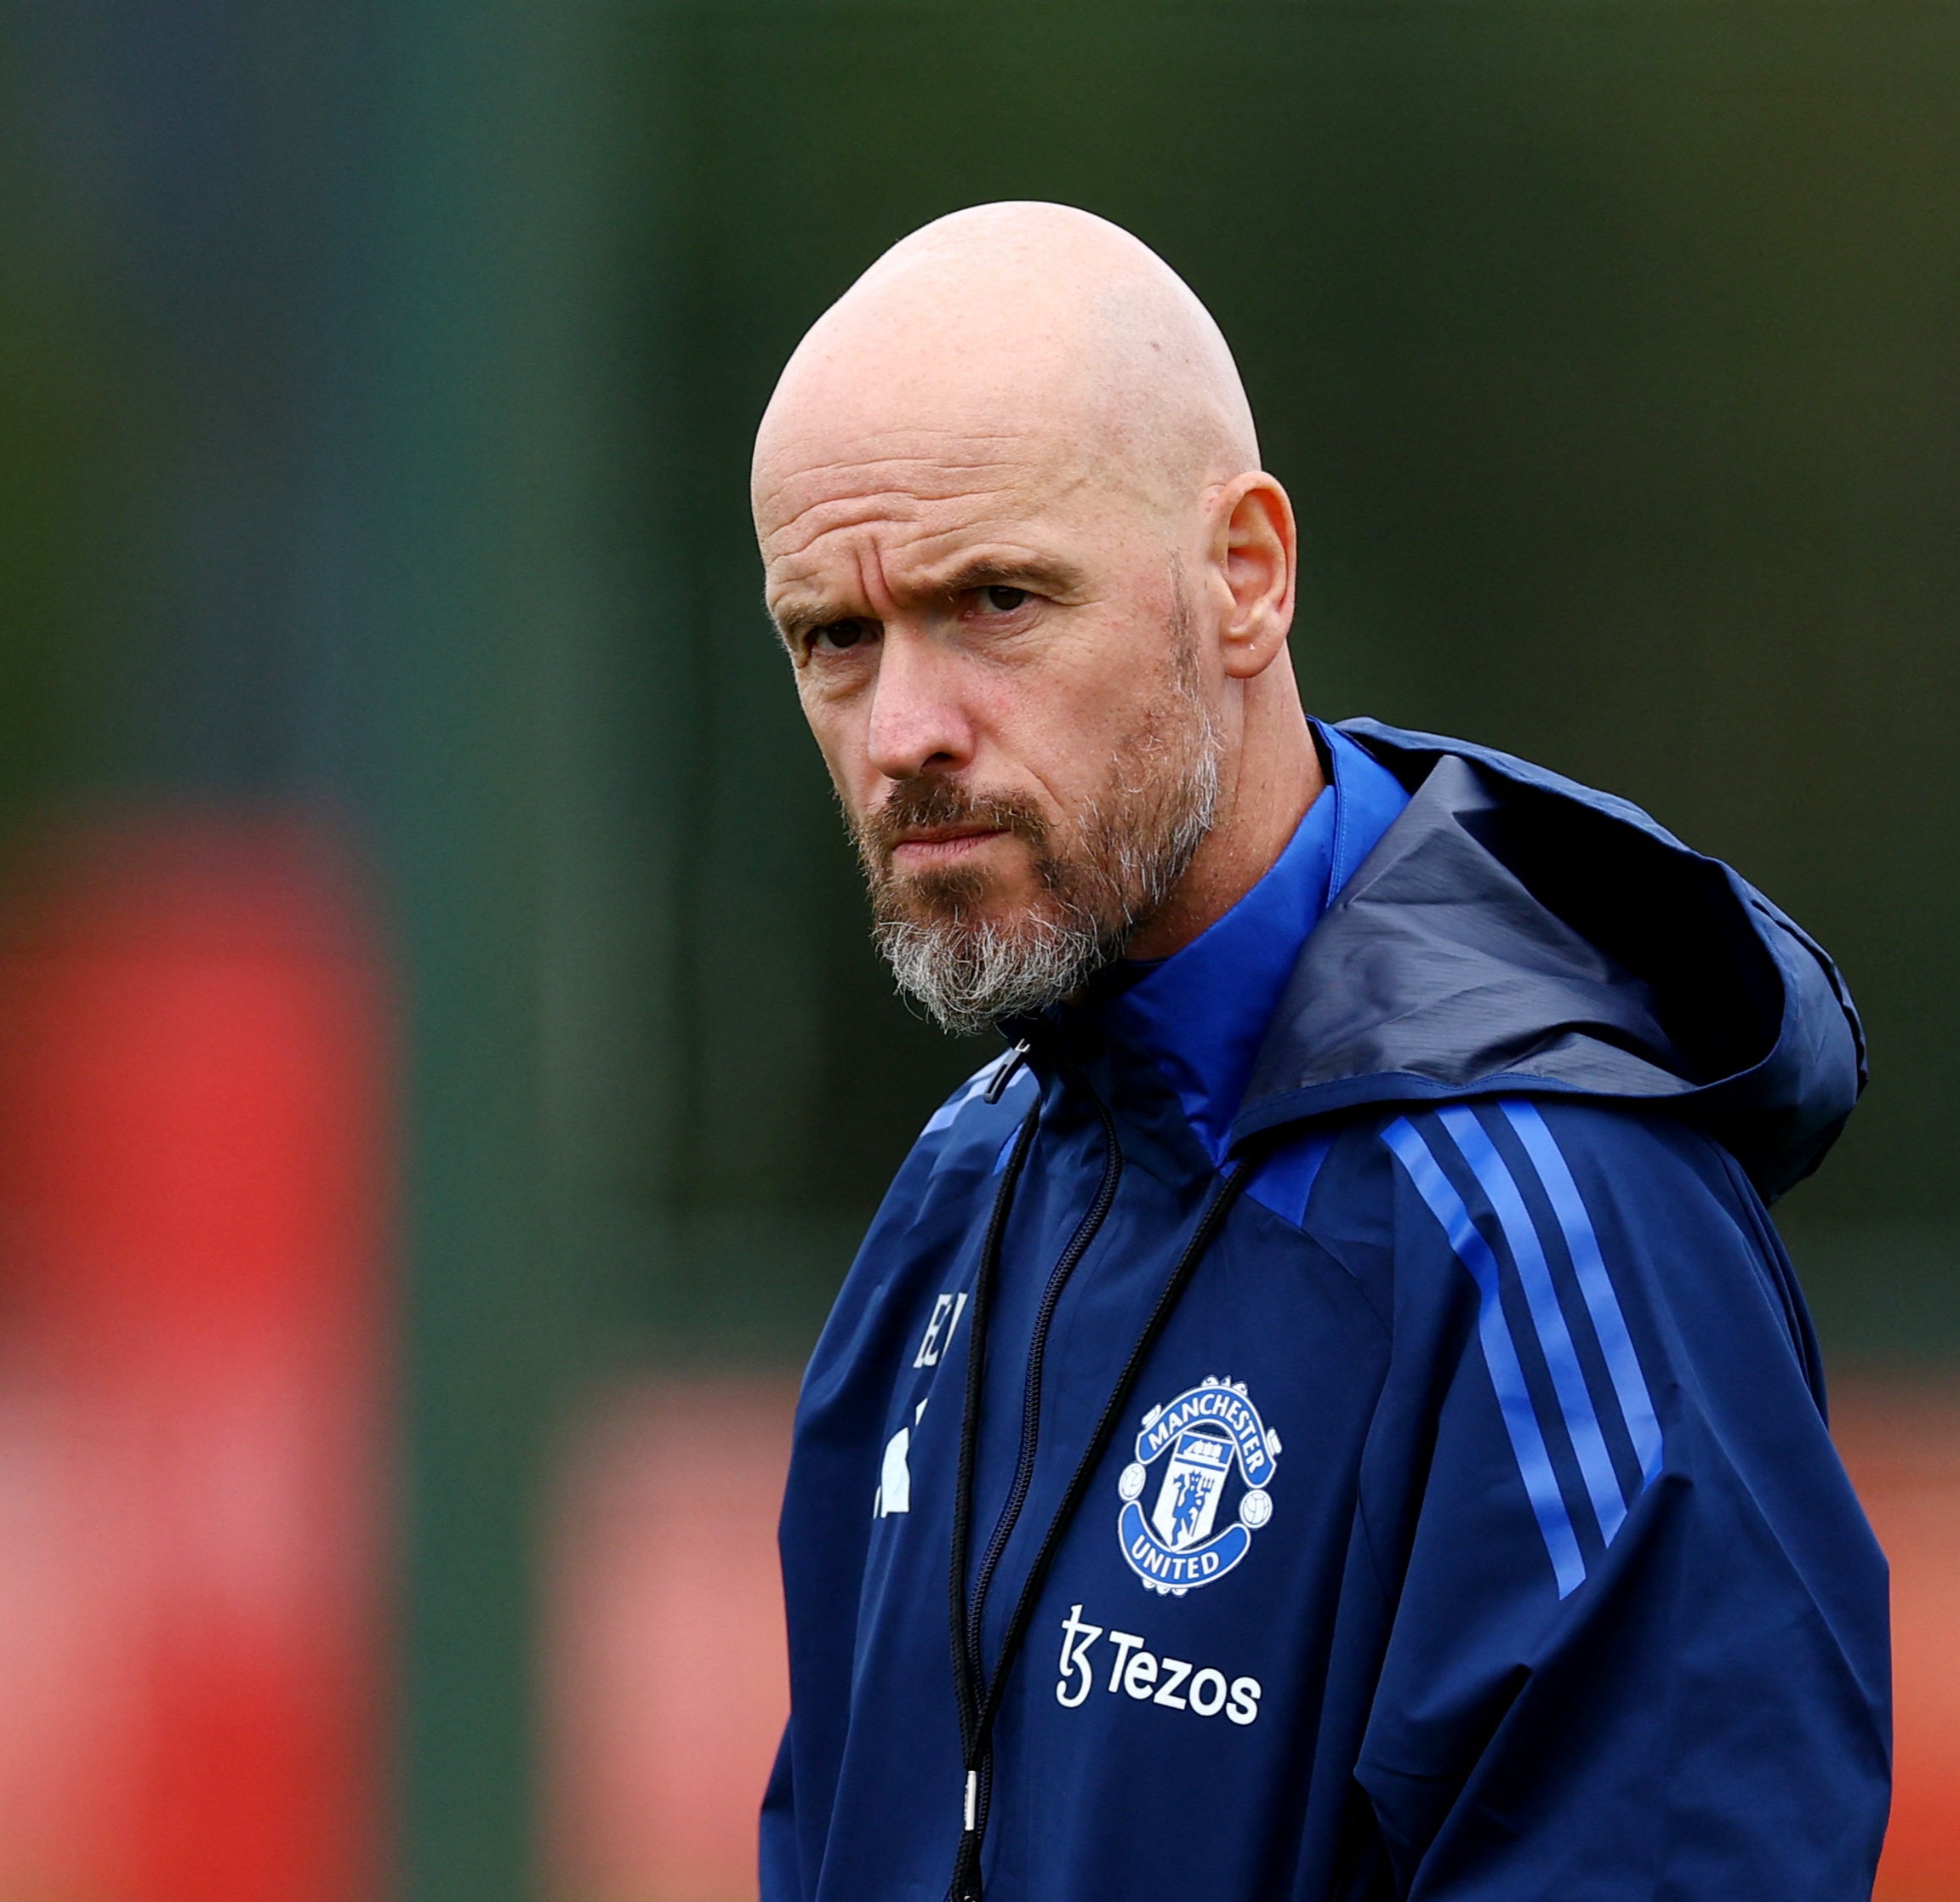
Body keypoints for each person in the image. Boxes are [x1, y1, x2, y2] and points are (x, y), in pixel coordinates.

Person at [751, 202, 1889, 1902]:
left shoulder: (1547, 1220)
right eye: (834, 637)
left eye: (994, 597)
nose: (904, 726)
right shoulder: (963, 1193)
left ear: (1245, 577)